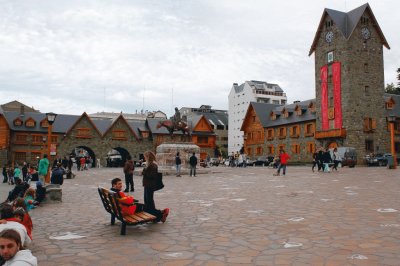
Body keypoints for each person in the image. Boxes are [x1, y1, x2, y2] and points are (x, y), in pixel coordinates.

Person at [142, 151, 169, 223]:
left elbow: (152, 176)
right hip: (147, 185)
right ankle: (155, 217)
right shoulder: (149, 164)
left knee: (149, 202)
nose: (144, 158)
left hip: (150, 186)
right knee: (148, 202)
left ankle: (161, 213)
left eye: (145, 156)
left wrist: (144, 172)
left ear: (148, 157)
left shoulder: (153, 165)